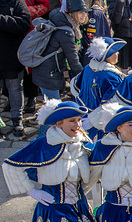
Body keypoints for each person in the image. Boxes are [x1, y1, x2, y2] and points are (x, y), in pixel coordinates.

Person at [32, 0, 89, 137]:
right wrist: (86, 76)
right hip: (48, 74)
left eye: (85, 12)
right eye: (81, 12)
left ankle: (47, 141)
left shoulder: (64, 24)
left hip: (46, 71)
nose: (84, 16)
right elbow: (73, 61)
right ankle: (41, 143)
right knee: (52, 112)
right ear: (72, 13)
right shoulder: (67, 31)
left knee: (51, 109)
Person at [70, 37, 127, 141]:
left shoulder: (88, 68)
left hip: (83, 118)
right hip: (102, 123)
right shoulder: (111, 76)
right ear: (108, 55)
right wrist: (92, 120)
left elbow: (74, 87)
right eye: (115, 51)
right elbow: (112, 104)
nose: (118, 53)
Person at [0, 0, 30, 137]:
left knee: (15, 89)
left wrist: (1, 19)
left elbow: (24, 24)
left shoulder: (17, 3)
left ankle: (17, 121)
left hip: (12, 57)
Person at [79, 0, 111, 66]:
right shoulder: (97, 11)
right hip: (98, 54)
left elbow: (90, 39)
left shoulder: (93, 13)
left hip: (91, 55)